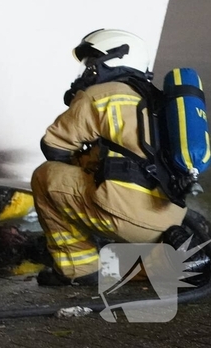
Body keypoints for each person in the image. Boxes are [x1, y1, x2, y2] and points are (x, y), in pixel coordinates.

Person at [32, 28, 187, 286]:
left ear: (113, 59)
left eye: (91, 63)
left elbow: (54, 146)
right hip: (170, 220)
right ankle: (159, 265)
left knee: (45, 176)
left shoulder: (101, 95)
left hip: (122, 216)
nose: (86, 71)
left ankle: (79, 268)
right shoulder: (157, 101)